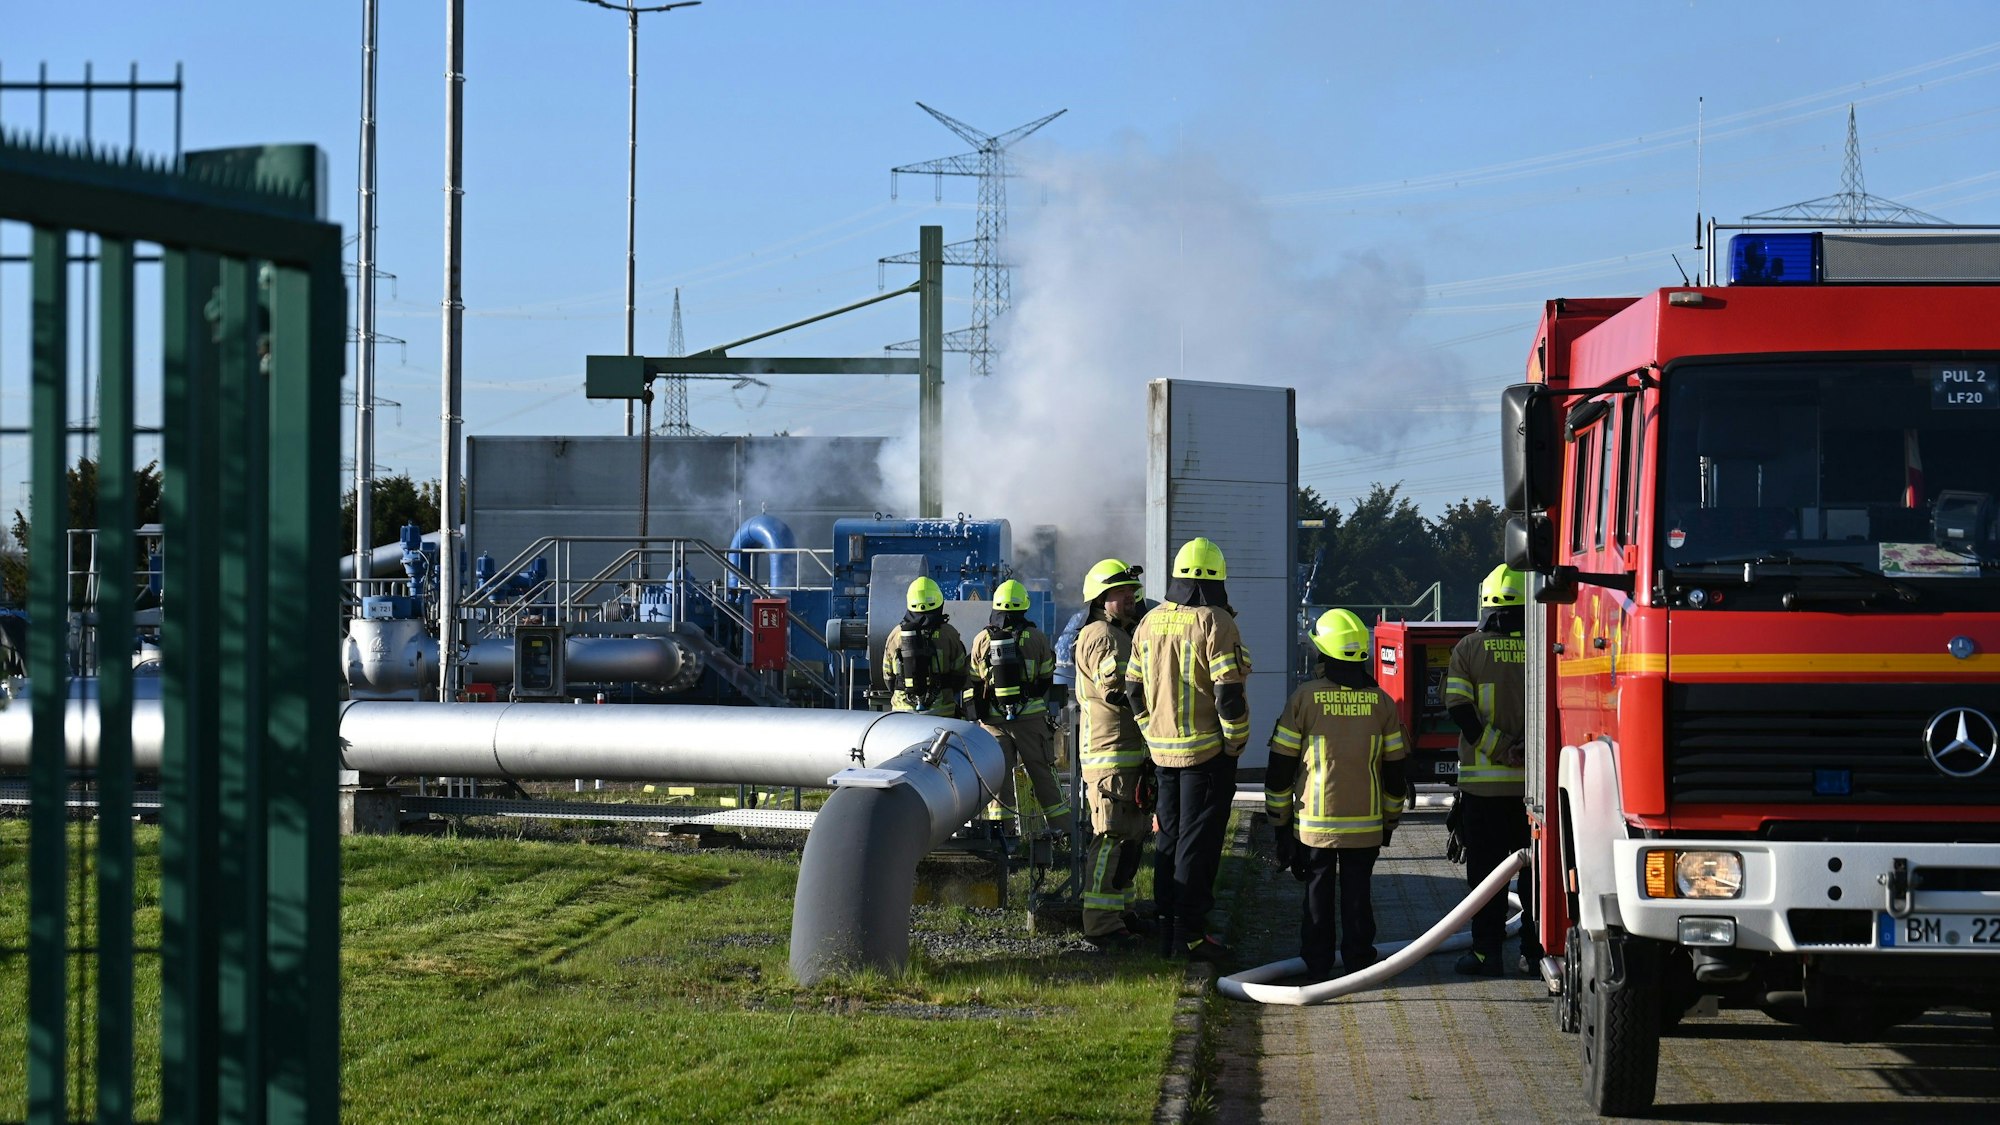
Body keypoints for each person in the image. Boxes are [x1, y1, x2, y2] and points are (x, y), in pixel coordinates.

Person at [1266, 609, 1409, 979]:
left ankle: (1317, 964)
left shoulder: (1304, 699)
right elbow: (1396, 773)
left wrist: (1280, 826)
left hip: (1314, 825)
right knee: (1359, 894)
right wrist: (1389, 822)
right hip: (1366, 825)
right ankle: (1360, 961)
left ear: (1322, 653)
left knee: (1317, 892)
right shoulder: (1382, 704)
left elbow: (1280, 768)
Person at [1126, 537, 1250, 962]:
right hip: (1207, 756)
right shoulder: (1215, 621)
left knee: (1170, 840)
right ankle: (1191, 936)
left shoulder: (1150, 621)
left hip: (1163, 754)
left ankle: (1167, 931)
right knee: (1198, 844)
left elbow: (1132, 690)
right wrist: (1234, 743)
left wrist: (1150, 732)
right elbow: (1228, 695)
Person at [1446, 563, 1541, 976]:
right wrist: (1524, 753)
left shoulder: (1467, 649)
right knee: (1537, 879)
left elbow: (1460, 711)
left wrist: (1498, 749)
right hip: (1535, 795)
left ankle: (1486, 954)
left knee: (1486, 879)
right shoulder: (1544, 644)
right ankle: (1536, 953)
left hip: (1483, 793)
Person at [1073, 558, 1153, 950]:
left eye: (1131, 592)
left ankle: (1120, 913)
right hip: (1110, 756)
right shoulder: (1103, 635)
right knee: (1110, 837)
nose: (1130, 598)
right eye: (1121, 593)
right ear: (1101, 599)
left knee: (1130, 836)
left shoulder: (1120, 633)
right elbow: (1119, 690)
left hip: (1126, 754)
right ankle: (1102, 924)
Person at [966, 579, 1072, 837]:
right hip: (1031, 720)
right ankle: (1064, 832)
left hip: (993, 722)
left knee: (999, 779)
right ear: (1024, 607)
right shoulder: (1036, 638)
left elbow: (973, 680)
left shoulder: (982, 639)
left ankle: (1003, 836)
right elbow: (1047, 676)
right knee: (1042, 773)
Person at [879, 576, 968, 717]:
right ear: (938, 601)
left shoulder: (896, 634)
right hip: (941, 713)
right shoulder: (949, 633)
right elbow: (960, 675)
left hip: (903, 713)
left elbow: (888, 677)